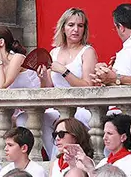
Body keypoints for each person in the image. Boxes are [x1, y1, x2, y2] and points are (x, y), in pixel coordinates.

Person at [37, 8, 97, 157]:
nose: (76, 29)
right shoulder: (54, 52)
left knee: (78, 118)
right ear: (63, 27)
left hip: (81, 106)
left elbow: (88, 86)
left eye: (80, 26)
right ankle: (55, 158)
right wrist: (43, 76)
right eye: (71, 25)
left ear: (85, 29)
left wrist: (64, 71)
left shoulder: (87, 51)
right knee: (42, 118)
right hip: (58, 106)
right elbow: (48, 87)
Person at [110, 4, 131, 75]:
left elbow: (118, 81)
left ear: (121, 27)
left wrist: (108, 76)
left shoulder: (126, 52)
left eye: (115, 27)